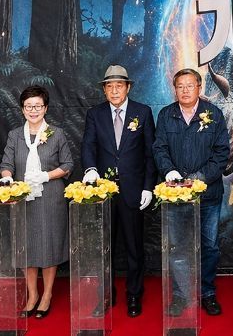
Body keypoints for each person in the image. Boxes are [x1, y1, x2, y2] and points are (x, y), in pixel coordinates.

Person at [81, 65, 156, 318]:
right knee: (104, 246)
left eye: (119, 86)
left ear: (128, 87)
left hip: (134, 191)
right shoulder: (95, 114)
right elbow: (88, 145)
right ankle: (106, 294)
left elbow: (150, 153)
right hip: (103, 191)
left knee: (134, 247)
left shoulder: (142, 112)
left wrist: (147, 187)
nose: (114, 90)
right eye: (109, 86)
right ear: (104, 90)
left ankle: (134, 294)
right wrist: (91, 169)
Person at [154, 68, 230, 316]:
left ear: (199, 87)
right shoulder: (166, 115)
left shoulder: (214, 114)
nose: (185, 90)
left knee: (209, 246)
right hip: (175, 195)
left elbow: (222, 154)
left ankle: (207, 293)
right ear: (174, 89)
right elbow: (159, 148)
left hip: (208, 195)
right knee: (178, 246)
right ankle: (180, 294)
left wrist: (198, 179)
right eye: (180, 86)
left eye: (190, 85)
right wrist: (169, 171)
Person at [0, 85, 73, 318]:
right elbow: (6, 164)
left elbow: (68, 165)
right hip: (23, 199)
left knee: (49, 246)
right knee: (26, 247)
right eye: (29, 106)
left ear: (45, 108)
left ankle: (47, 294)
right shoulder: (14, 135)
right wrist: (7, 178)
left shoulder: (56, 133)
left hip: (50, 198)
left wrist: (46, 176)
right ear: (22, 109)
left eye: (38, 106)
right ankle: (32, 295)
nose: (33, 110)